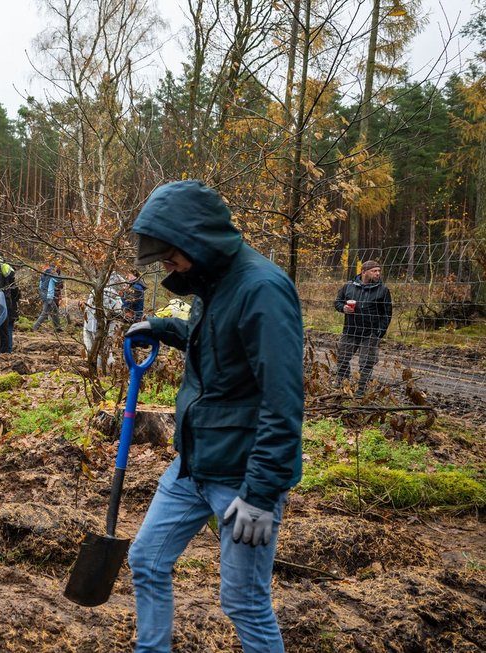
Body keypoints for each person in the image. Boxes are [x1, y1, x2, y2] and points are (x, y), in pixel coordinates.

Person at [122, 181, 303, 653]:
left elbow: (282, 403)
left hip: (243, 477)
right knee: (146, 559)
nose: (166, 266)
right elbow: (222, 345)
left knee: (243, 600)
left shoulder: (262, 289)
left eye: (171, 255)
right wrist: (163, 327)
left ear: (197, 241)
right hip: (194, 464)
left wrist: (261, 495)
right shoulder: (213, 281)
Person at [333, 260, 392, 395]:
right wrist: (343, 308)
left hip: (370, 333)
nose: (378, 273)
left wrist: (379, 332)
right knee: (342, 358)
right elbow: (337, 302)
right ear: (364, 272)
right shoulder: (348, 286)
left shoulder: (383, 290)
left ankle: (360, 391)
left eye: (379, 271)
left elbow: (387, 314)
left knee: (366, 363)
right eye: (374, 271)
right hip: (350, 330)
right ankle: (343, 386)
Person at [31, 261, 62, 332]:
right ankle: (35, 327)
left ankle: (58, 328)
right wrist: (59, 273)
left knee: (54, 311)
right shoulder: (53, 273)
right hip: (49, 296)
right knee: (45, 313)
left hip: (43, 294)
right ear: (55, 267)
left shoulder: (44, 273)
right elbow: (59, 281)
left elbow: (40, 285)